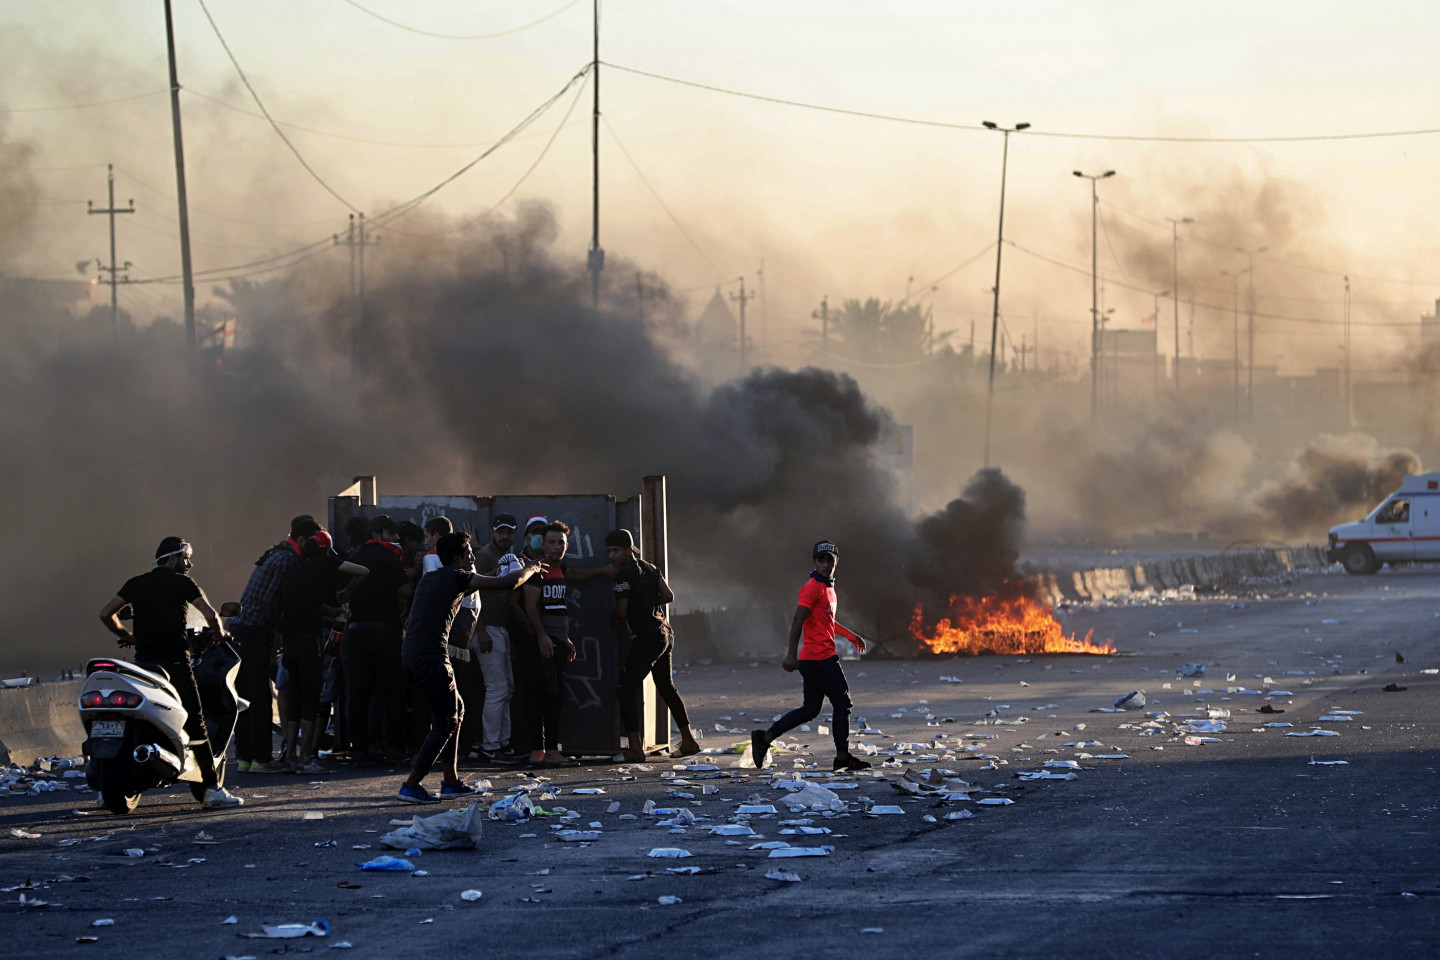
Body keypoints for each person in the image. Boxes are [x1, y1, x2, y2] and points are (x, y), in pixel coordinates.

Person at [97, 537, 244, 809]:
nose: (189, 564)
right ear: (173, 558)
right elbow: (210, 614)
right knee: (196, 723)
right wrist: (219, 634)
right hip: (175, 664)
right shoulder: (183, 583)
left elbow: (106, 613)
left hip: (144, 667)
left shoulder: (135, 583)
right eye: (186, 558)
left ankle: (109, 786)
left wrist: (129, 637)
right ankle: (212, 789)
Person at [397, 532, 538, 804]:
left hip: (413, 654)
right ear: (457, 558)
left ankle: (451, 781)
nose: (473, 558)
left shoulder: (435, 578)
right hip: (431, 655)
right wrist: (531, 568)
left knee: (456, 710)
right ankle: (411, 785)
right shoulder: (456, 577)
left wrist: (496, 571)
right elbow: (510, 582)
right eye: (469, 554)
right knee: (446, 720)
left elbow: (482, 582)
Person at [751, 540, 871, 772]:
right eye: (821, 560)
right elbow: (798, 621)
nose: (826, 565)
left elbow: (828, 621)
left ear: (836, 561)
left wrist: (851, 635)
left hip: (815, 658)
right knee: (843, 704)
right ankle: (842, 758)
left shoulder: (828, 588)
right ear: (814, 562)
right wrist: (790, 654)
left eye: (830, 560)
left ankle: (764, 738)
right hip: (819, 658)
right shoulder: (812, 587)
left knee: (811, 709)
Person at [230, 515, 320, 774]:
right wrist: (280, 633)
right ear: (301, 539)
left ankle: (245, 758)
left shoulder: (276, 553)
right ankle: (261, 758)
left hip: (241, 631)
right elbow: (270, 602)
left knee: (244, 696)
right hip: (256, 632)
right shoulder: (287, 560)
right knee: (260, 696)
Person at [516, 521, 606, 767]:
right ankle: (548, 751)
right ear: (543, 545)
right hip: (542, 645)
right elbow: (530, 606)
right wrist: (542, 636)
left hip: (555, 641)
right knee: (549, 698)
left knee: (549, 697)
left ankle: (541, 752)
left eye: (561, 543)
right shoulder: (538, 570)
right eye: (552, 542)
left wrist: (563, 638)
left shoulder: (558, 570)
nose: (557, 547)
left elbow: (554, 608)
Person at [605, 529, 700, 762]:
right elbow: (668, 596)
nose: (611, 555)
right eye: (609, 551)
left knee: (625, 689)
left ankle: (635, 749)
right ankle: (688, 740)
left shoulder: (624, 574)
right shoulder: (650, 567)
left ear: (629, 550)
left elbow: (622, 611)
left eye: (615, 550)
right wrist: (648, 602)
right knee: (666, 687)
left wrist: (616, 619)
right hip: (664, 633)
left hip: (646, 638)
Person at [278, 530, 368, 772]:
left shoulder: (293, 571)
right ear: (326, 550)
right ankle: (306, 758)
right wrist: (345, 592)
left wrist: (330, 611)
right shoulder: (325, 562)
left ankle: (290, 757)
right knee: (312, 700)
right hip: (309, 642)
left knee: (295, 699)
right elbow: (363, 571)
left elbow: (307, 605)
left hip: (290, 643)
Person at [343, 515, 412, 766]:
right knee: (392, 692)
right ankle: (393, 748)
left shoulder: (352, 558)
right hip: (385, 632)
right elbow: (406, 590)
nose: (396, 538)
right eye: (391, 533)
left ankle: (360, 750)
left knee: (358, 694)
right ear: (376, 534)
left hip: (355, 632)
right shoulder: (388, 557)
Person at [472, 514, 522, 764]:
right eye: (501, 532)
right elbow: (472, 592)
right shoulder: (485, 556)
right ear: (492, 532)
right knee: (496, 688)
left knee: (506, 688)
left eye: (509, 532)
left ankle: (502, 742)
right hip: (488, 628)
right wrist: (480, 631)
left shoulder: (505, 557)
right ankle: (490, 747)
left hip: (499, 629)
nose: (505, 536)